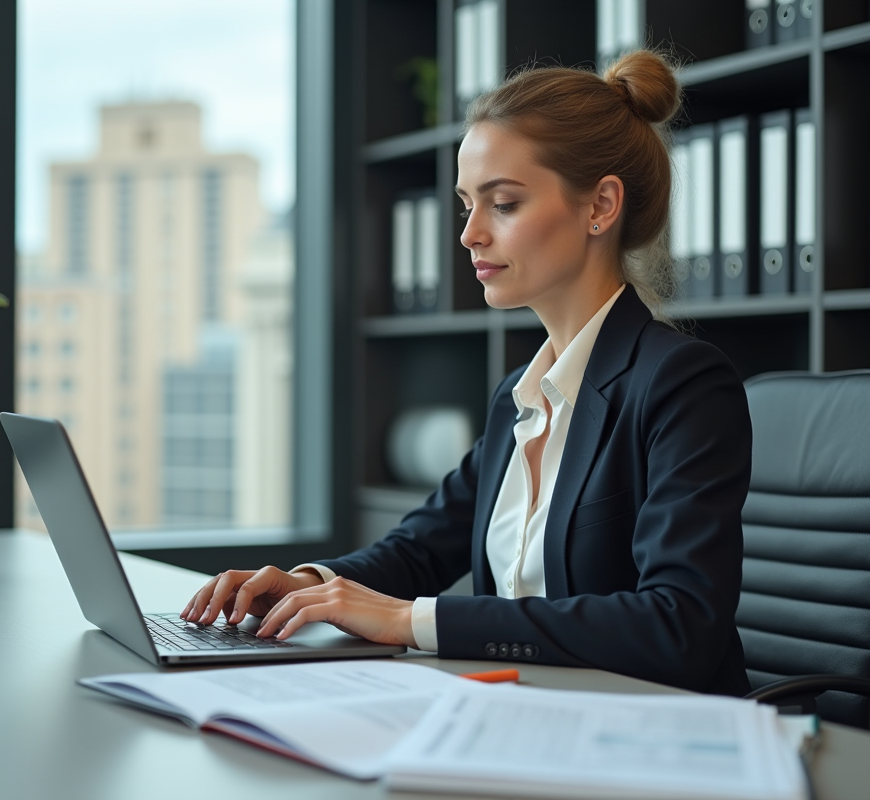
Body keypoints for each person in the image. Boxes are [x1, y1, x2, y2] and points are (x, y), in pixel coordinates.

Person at [183, 49, 753, 696]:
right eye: (466, 206)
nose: (470, 235)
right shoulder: (520, 396)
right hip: (522, 722)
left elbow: (679, 627)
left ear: (600, 206)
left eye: (503, 204)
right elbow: (418, 550)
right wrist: (308, 586)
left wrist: (410, 620)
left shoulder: (680, 384)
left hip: (655, 743)